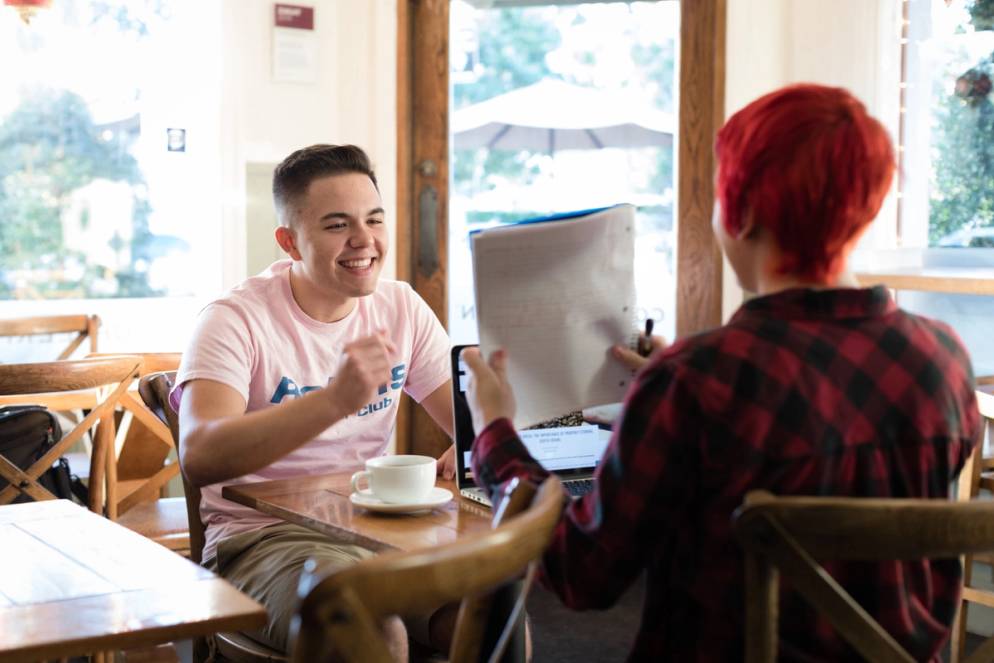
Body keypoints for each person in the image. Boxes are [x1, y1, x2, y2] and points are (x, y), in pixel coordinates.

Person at [461, 84, 980, 661]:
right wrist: (676, 375)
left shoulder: (698, 381)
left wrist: (495, 432)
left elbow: (583, 573)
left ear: (743, 210)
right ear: (869, 205)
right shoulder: (944, 359)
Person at [173, 143, 455, 657]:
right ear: (290, 241)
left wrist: (479, 442)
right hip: (262, 541)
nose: (364, 240)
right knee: (369, 630)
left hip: (381, 528)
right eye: (336, 225)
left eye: (374, 219)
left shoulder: (401, 306)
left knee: (491, 612)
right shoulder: (233, 319)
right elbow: (201, 454)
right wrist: (333, 400)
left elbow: (469, 422)